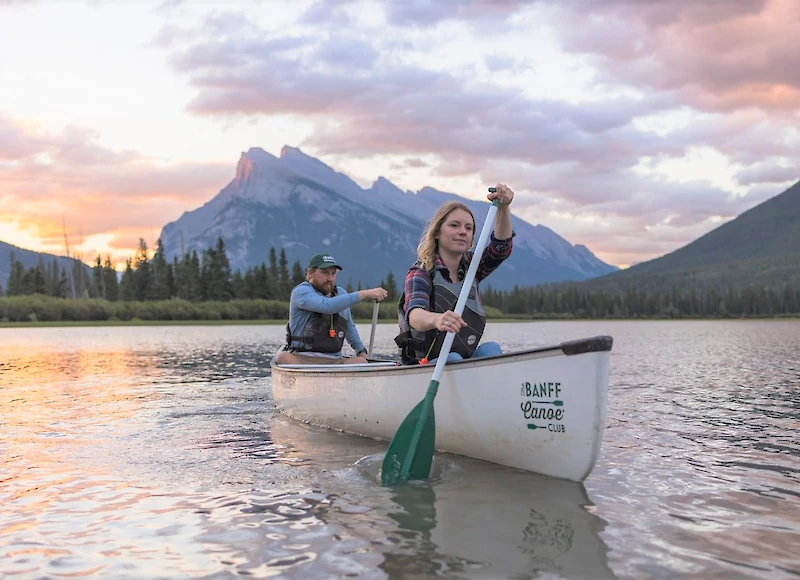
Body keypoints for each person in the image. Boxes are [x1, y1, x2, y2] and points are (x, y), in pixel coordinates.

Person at [395, 183, 515, 365]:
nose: (462, 232)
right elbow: (415, 315)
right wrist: (437, 319)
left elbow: (501, 248)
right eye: (454, 225)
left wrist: (504, 208)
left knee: (491, 349)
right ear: (437, 232)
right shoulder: (420, 272)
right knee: (453, 359)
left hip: (461, 359)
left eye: (468, 228)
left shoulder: (473, 267)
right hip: (425, 363)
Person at [273, 253, 388, 365]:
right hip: (301, 358)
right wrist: (365, 294)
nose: (330, 278)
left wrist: (361, 351)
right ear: (310, 273)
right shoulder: (301, 292)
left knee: (360, 361)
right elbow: (328, 306)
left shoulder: (341, 293)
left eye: (333, 273)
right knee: (283, 357)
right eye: (325, 273)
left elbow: (349, 326)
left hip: (334, 360)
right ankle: (307, 379)